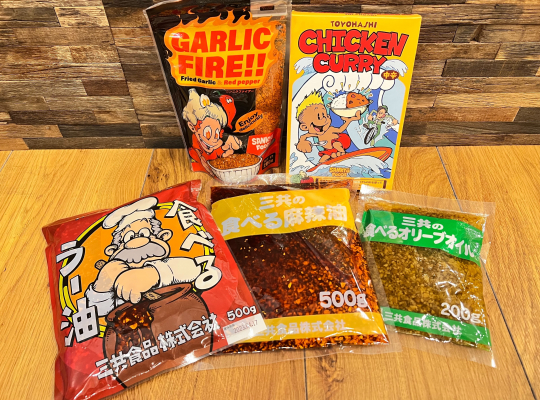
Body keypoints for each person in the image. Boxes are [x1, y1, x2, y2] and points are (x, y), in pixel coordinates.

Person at [85, 197, 220, 316]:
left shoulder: (170, 265)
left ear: (162, 236)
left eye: (144, 234)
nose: (136, 242)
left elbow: (193, 269)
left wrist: (154, 274)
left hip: (187, 317)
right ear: (113, 251)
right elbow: (97, 312)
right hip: (136, 329)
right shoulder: (117, 280)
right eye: (129, 238)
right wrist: (101, 286)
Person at [182, 89, 241, 174]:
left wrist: (227, 152)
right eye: (208, 133)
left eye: (216, 134)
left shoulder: (216, 144)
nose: (214, 139)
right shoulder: (194, 149)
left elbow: (220, 152)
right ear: (192, 127)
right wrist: (200, 159)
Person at [295, 90, 361, 164]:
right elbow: (304, 136)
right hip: (330, 150)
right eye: (319, 117)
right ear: (304, 127)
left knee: (336, 144)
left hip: (342, 140)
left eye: (325, 115)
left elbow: (340, 129)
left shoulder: (330, 129)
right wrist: (302, 142)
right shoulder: (316, 134)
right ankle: (320, 165)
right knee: (324, 157)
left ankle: (343, 153)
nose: (325, 119)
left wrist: (348, 121)